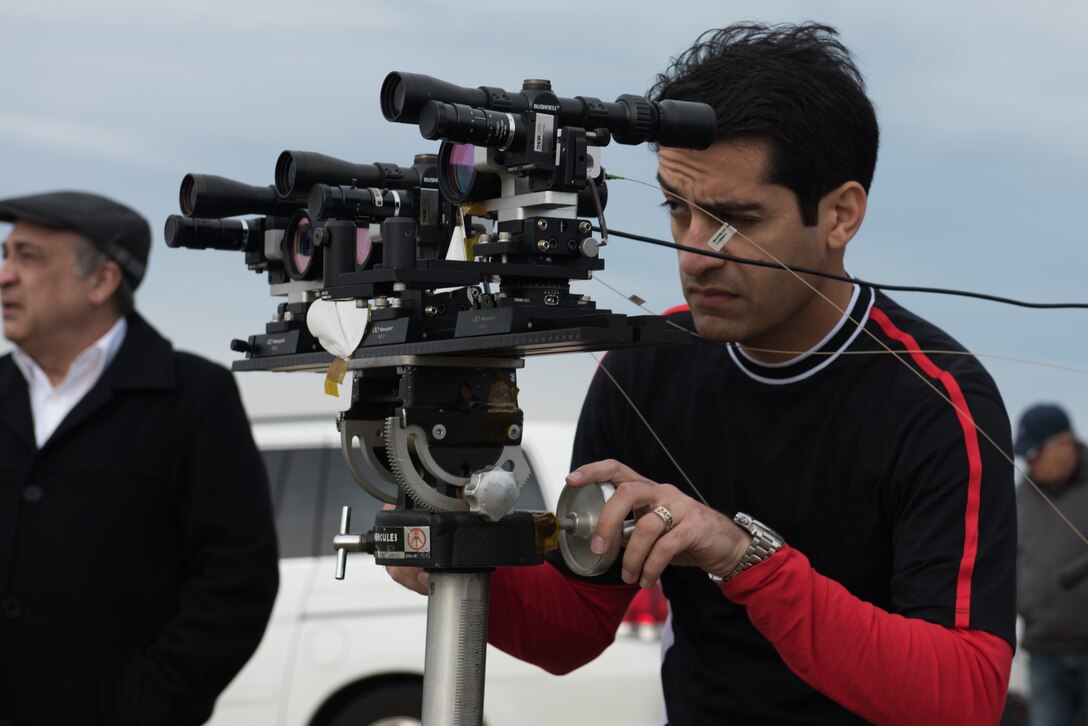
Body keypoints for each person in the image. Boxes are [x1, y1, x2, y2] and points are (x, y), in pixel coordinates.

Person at [388, 23, 1019, 725]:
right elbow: (575, 627)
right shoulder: (647, 369)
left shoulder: (937, 400)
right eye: (678, 210)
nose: (693, 253)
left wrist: (743, 557)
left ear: (841, 215)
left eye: (732, 221)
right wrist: (456, 555)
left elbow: (964, 699)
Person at [0, 191, 279, 725]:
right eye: (7, 254)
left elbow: (237, 579)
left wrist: (148, 706)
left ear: (102, 281)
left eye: (27, 257)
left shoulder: (193, 397)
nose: (5, 275)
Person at [1014, 403, 1088, 725]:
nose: (1028, 462)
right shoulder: (1019, 496)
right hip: (1042, 654)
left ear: (1065, 444)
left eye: (1034, 452)